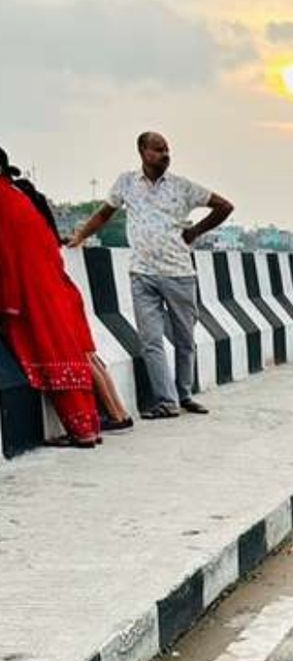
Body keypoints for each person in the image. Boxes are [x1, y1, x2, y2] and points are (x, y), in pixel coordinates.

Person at [68, 132, 233, 419]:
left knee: (184, 339)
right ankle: (167, 401)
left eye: (167, 150)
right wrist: (80, 236)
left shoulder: (182, 186)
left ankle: (184, 394)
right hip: (142, 273)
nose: (165, 155)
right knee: (151, 341)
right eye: (158, 149)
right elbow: (105, 214)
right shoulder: (127, 183)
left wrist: (194, 232)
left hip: (179, 272)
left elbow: (224, 206)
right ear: (142, 151)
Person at [0, 149, 133, 434]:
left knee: (72, 356)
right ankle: (117, 414)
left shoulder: (9, 202)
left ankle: (94, 423)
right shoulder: (26, 203)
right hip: (61, 286)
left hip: (44, 291)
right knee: (86, 355)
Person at [0, 175, 103, 447]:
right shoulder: (17, 196)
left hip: (29, 286)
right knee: (64, 349)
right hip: (51, 281)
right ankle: (88, 427)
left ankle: (81, 431)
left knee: (51, 349)